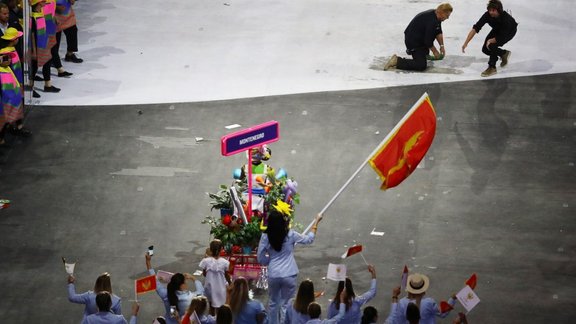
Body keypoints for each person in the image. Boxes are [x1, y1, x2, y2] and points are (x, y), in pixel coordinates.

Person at [257, 204, 323, 324]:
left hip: (273, 274)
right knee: (286, 304)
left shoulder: (265, 237)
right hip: (289, 273)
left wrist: (270, 261)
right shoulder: (290, 234)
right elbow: (309, 239)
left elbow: (260, 258)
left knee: (273, 303)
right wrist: (316, 222)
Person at [384, 3, 453, 72]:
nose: (447, 18)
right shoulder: (432, 21)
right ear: (441, 12)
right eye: (447, 16)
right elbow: (428, 41)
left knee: (424, 55)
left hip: (419, 39)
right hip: (413, 41)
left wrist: (442, 46)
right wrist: (435, 52)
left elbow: (438, 32)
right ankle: (397, 61)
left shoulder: (436, 15)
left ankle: (421, 53)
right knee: (421, 65)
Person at [461, 0, 518, 77]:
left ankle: (492, 67)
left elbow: (501, 37)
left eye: (493, 10)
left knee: (491, 45)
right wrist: (466, 43)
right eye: (489, 10)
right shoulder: (487, 15)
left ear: (499, 10)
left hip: (509, 32)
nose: (491, 12)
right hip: (497, 29)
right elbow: (476, 28)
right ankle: (503, 53)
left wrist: (491, 40)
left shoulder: (506, 19)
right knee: (485, 49)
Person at [146, 253, 205, 324]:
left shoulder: (165, 294)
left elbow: (154, 280)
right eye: (185, 281)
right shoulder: (190, 298)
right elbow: (201, 291)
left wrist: (148, 262)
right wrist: (193, 278)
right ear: (182, 285)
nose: (187, 283)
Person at [387, 273, 456, 324]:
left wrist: (395, 296)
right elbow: (442, 314)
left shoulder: (401, 303)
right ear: (423, 290)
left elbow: (395, 320)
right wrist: (452, 299)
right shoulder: (429, 302)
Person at [199, 239, 231, 313]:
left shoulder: (205, 261)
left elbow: (204, 274)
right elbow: (226, 275)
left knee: (211, 306)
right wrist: (230, 283)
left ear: (210, 249)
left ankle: (211, 319)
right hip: (221, 287)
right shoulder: (225, 262)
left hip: (209, 287)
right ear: (221, 249)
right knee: (220, 307)